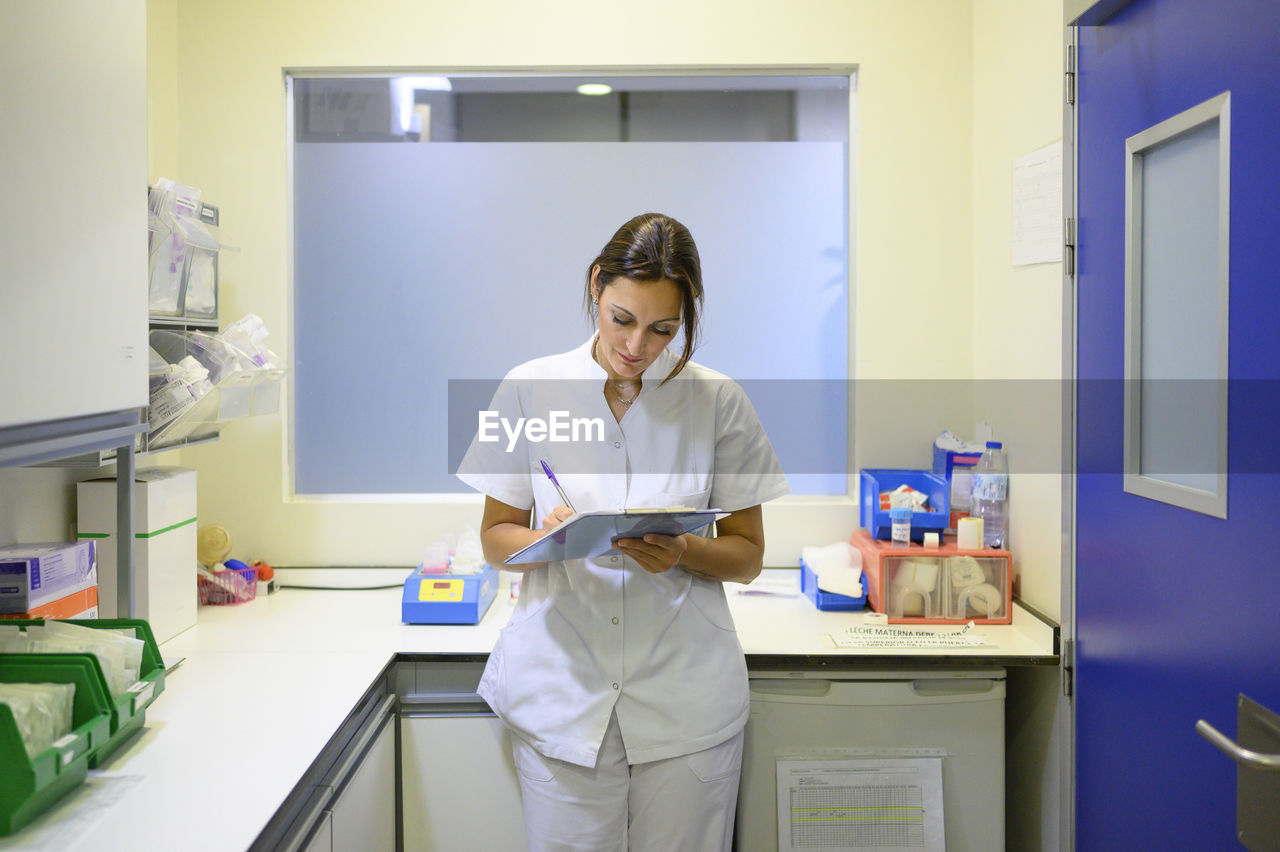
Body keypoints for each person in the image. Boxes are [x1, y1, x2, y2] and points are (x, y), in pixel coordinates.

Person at [457, 212, 788, 851]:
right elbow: (496, 536)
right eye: (622, 319)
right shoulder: (527, 389)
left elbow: (748, 556)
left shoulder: (719, 401)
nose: (638, 345)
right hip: (562, 692)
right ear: (595, 288)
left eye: (663, 329)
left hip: (685, 698)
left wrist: (684, 550)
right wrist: (543, 538)